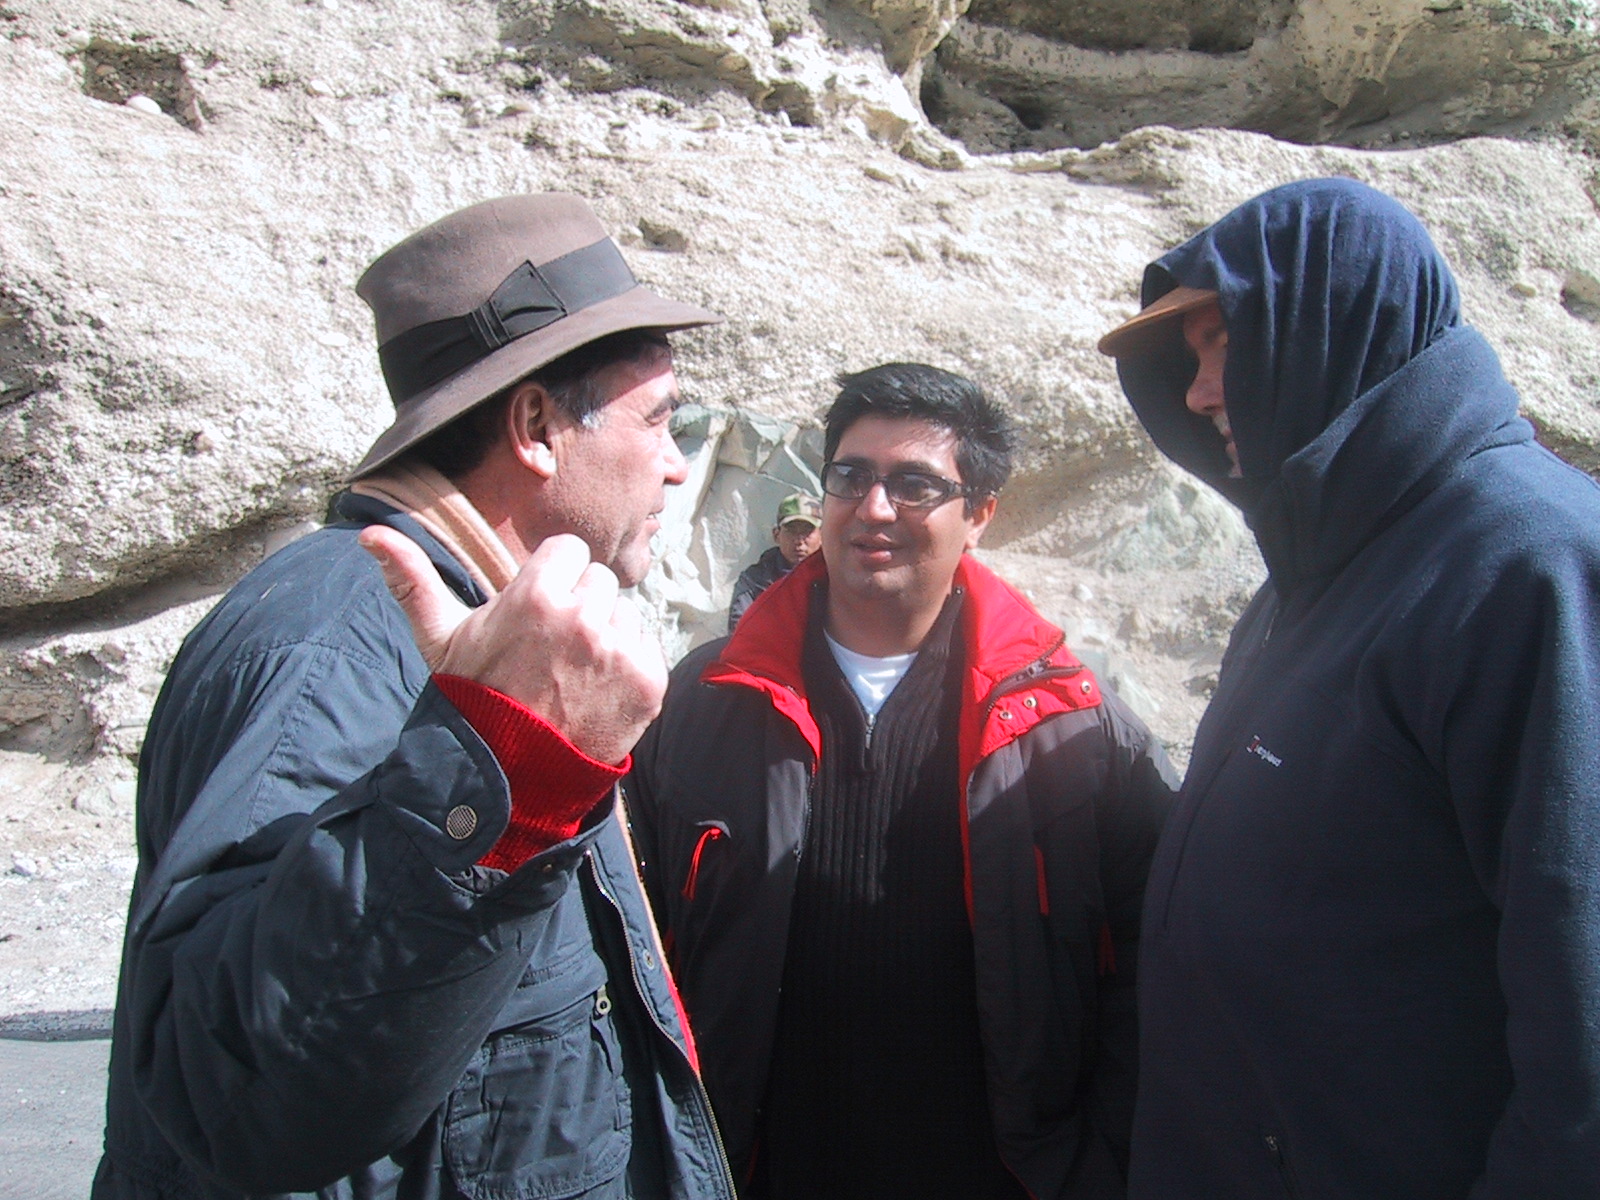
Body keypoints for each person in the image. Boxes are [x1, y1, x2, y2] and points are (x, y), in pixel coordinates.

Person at [93, 194, 739, 1199]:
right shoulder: (343, 634)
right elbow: (232, 1085)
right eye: (659, 419)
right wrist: (504, 781)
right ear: (534, 427)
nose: (672, 463)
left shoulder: (483, 635)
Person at [1097, 178, 1600, 1199]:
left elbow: (1582, 1036)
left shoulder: (1530, 566)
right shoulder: (1317, 575)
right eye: (1188, 355)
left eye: (1224, 340)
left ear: (1339, 320)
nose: (1195, 392)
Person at [626, 362, 1177, 1199]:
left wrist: (1095, 1156)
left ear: (980, 514)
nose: (874, 507)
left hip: (996, 1175)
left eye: (915, 484)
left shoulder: (1072, 724)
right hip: (757, 1169)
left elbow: (1155, 953)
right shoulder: (702, 702)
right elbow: (633, 937)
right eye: (851, 476)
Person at [726, 492, 822, 630]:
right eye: (791, 531)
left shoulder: (837, 579)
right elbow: (739, 632)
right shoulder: (754, 581)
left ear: (822, 535)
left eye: (807, 531)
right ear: (776, 535)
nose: (799, 541)